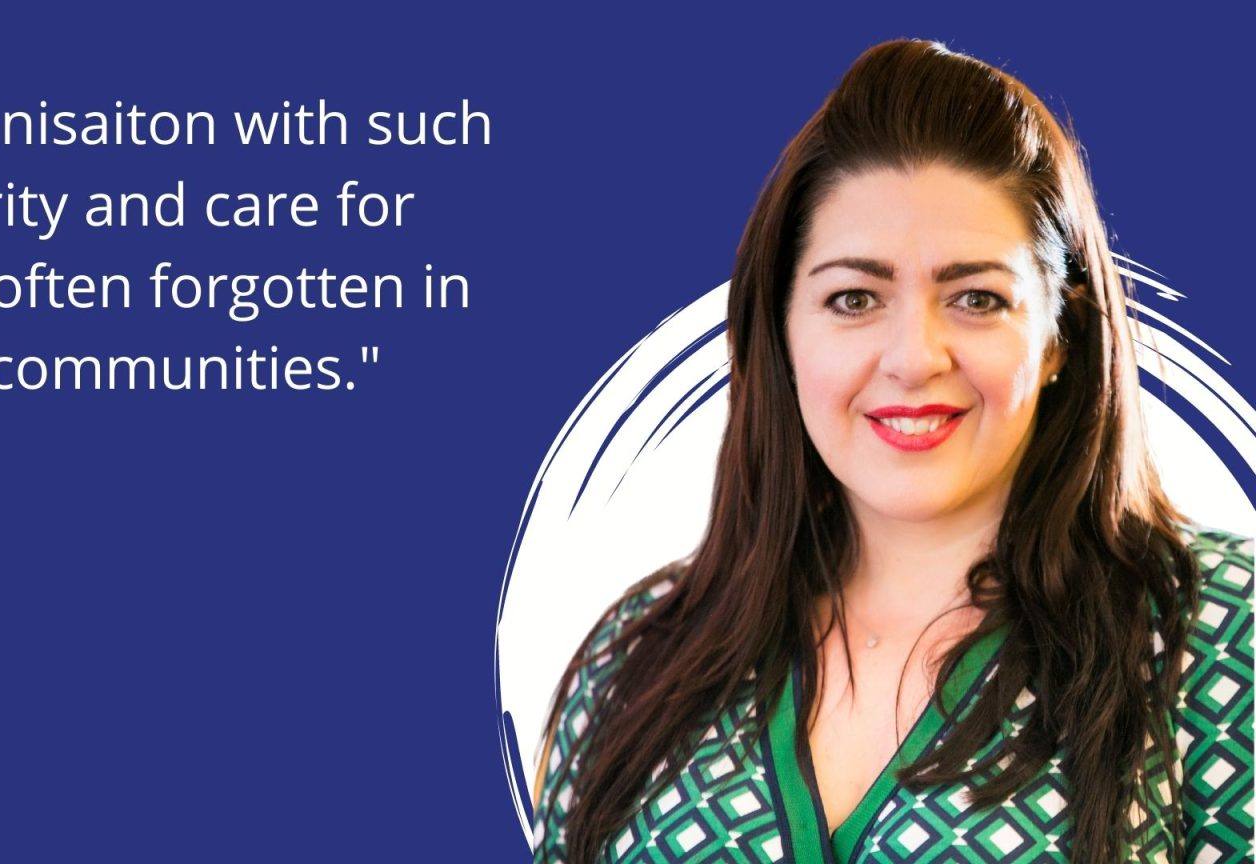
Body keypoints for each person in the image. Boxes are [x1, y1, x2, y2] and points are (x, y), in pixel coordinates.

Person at [528, 39, 1254, 864]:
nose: (913, 358)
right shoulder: (633, 661)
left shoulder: (1225, 632)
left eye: (977, 298)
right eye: (853, 299)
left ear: (1059, 338)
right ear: (782, 331)